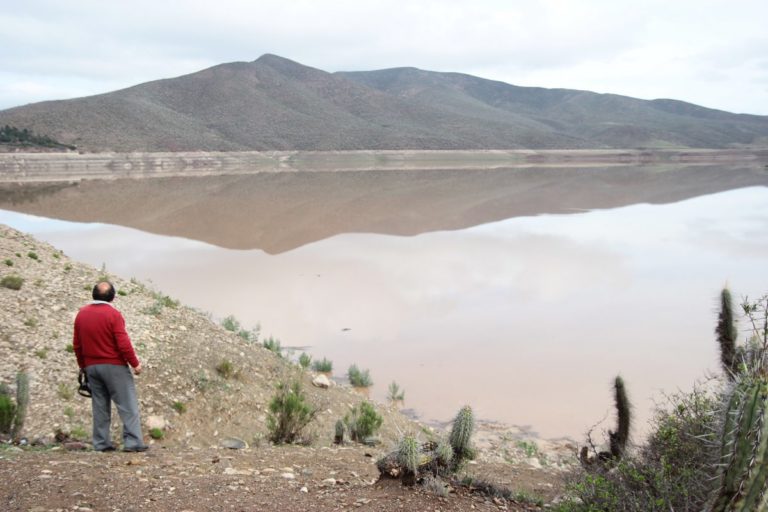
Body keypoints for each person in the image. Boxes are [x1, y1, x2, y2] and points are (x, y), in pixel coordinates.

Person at [73, 281, 147, 452]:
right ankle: (133, 442)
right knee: (127, 405)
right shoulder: (113, 315)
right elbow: (123, 343)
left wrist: (83, 366)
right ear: (112, 296)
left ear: (93, 294)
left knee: (100, 406)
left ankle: (101, 443)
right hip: (114, 366)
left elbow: (77, 345)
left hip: (92, 367)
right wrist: (135, 364)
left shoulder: (81, 314)